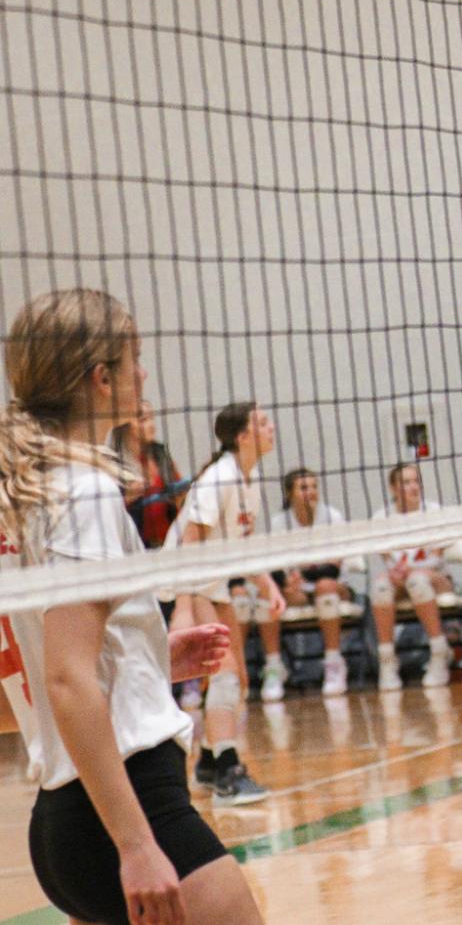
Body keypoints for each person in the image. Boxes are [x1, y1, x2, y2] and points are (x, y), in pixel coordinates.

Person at [1, 288, 263, 925]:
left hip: (63, 817)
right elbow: (65, 679)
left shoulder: (21, 499)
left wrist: (148, 661)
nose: (144, 374)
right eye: (135, 358)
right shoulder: (83, 493)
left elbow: (37, 674)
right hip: (127, 808)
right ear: (101, 378)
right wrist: (138, 845)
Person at [165, 401, 282, 804]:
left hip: (211, 583)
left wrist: (267, 585)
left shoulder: (250, 478)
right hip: (187, 580)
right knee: (225, 674)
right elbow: (188, 543)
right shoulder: (220, 478)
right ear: (243, 436)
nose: (272, 427)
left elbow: (241, 545)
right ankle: (229, 775)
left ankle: (210, 764)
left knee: (239, 680)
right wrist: (183, 604)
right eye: (263, 422)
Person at [370, 462, 453, 691]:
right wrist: (397, 571)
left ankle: (439, 652)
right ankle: (387, 661)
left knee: (417, 581)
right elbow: (387, 559)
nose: (414, 486)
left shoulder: (433, 510)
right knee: (380, 587)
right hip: (400, 579)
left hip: (435, 578)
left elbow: (437, 558)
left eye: (416, 481)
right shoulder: (382, 517)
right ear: (393, 488)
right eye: (406, 482)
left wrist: (411, 571)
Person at [271, 467, 352, 697]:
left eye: (314, 487)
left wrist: (303, 575)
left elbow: (333, 570)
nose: (311, 492)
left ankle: (334, 663)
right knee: (266, 601)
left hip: (332, 586)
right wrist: (286, 583)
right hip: (298, 590)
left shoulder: (331, 516)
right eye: (304, 488)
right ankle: (273, 668)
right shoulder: (280, 522)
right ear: (289, 494)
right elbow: (275, 565)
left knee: (325, 588)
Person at [110, 400, 185, 550]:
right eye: (143, 420)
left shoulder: (160, 454)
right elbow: (107, 513)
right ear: (124, 425)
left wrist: (180, 494)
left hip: (168, 543)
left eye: (152, 418)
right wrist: (127, 499)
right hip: (135, 547)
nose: (151, 424)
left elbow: (181, 494)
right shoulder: (114, 464)